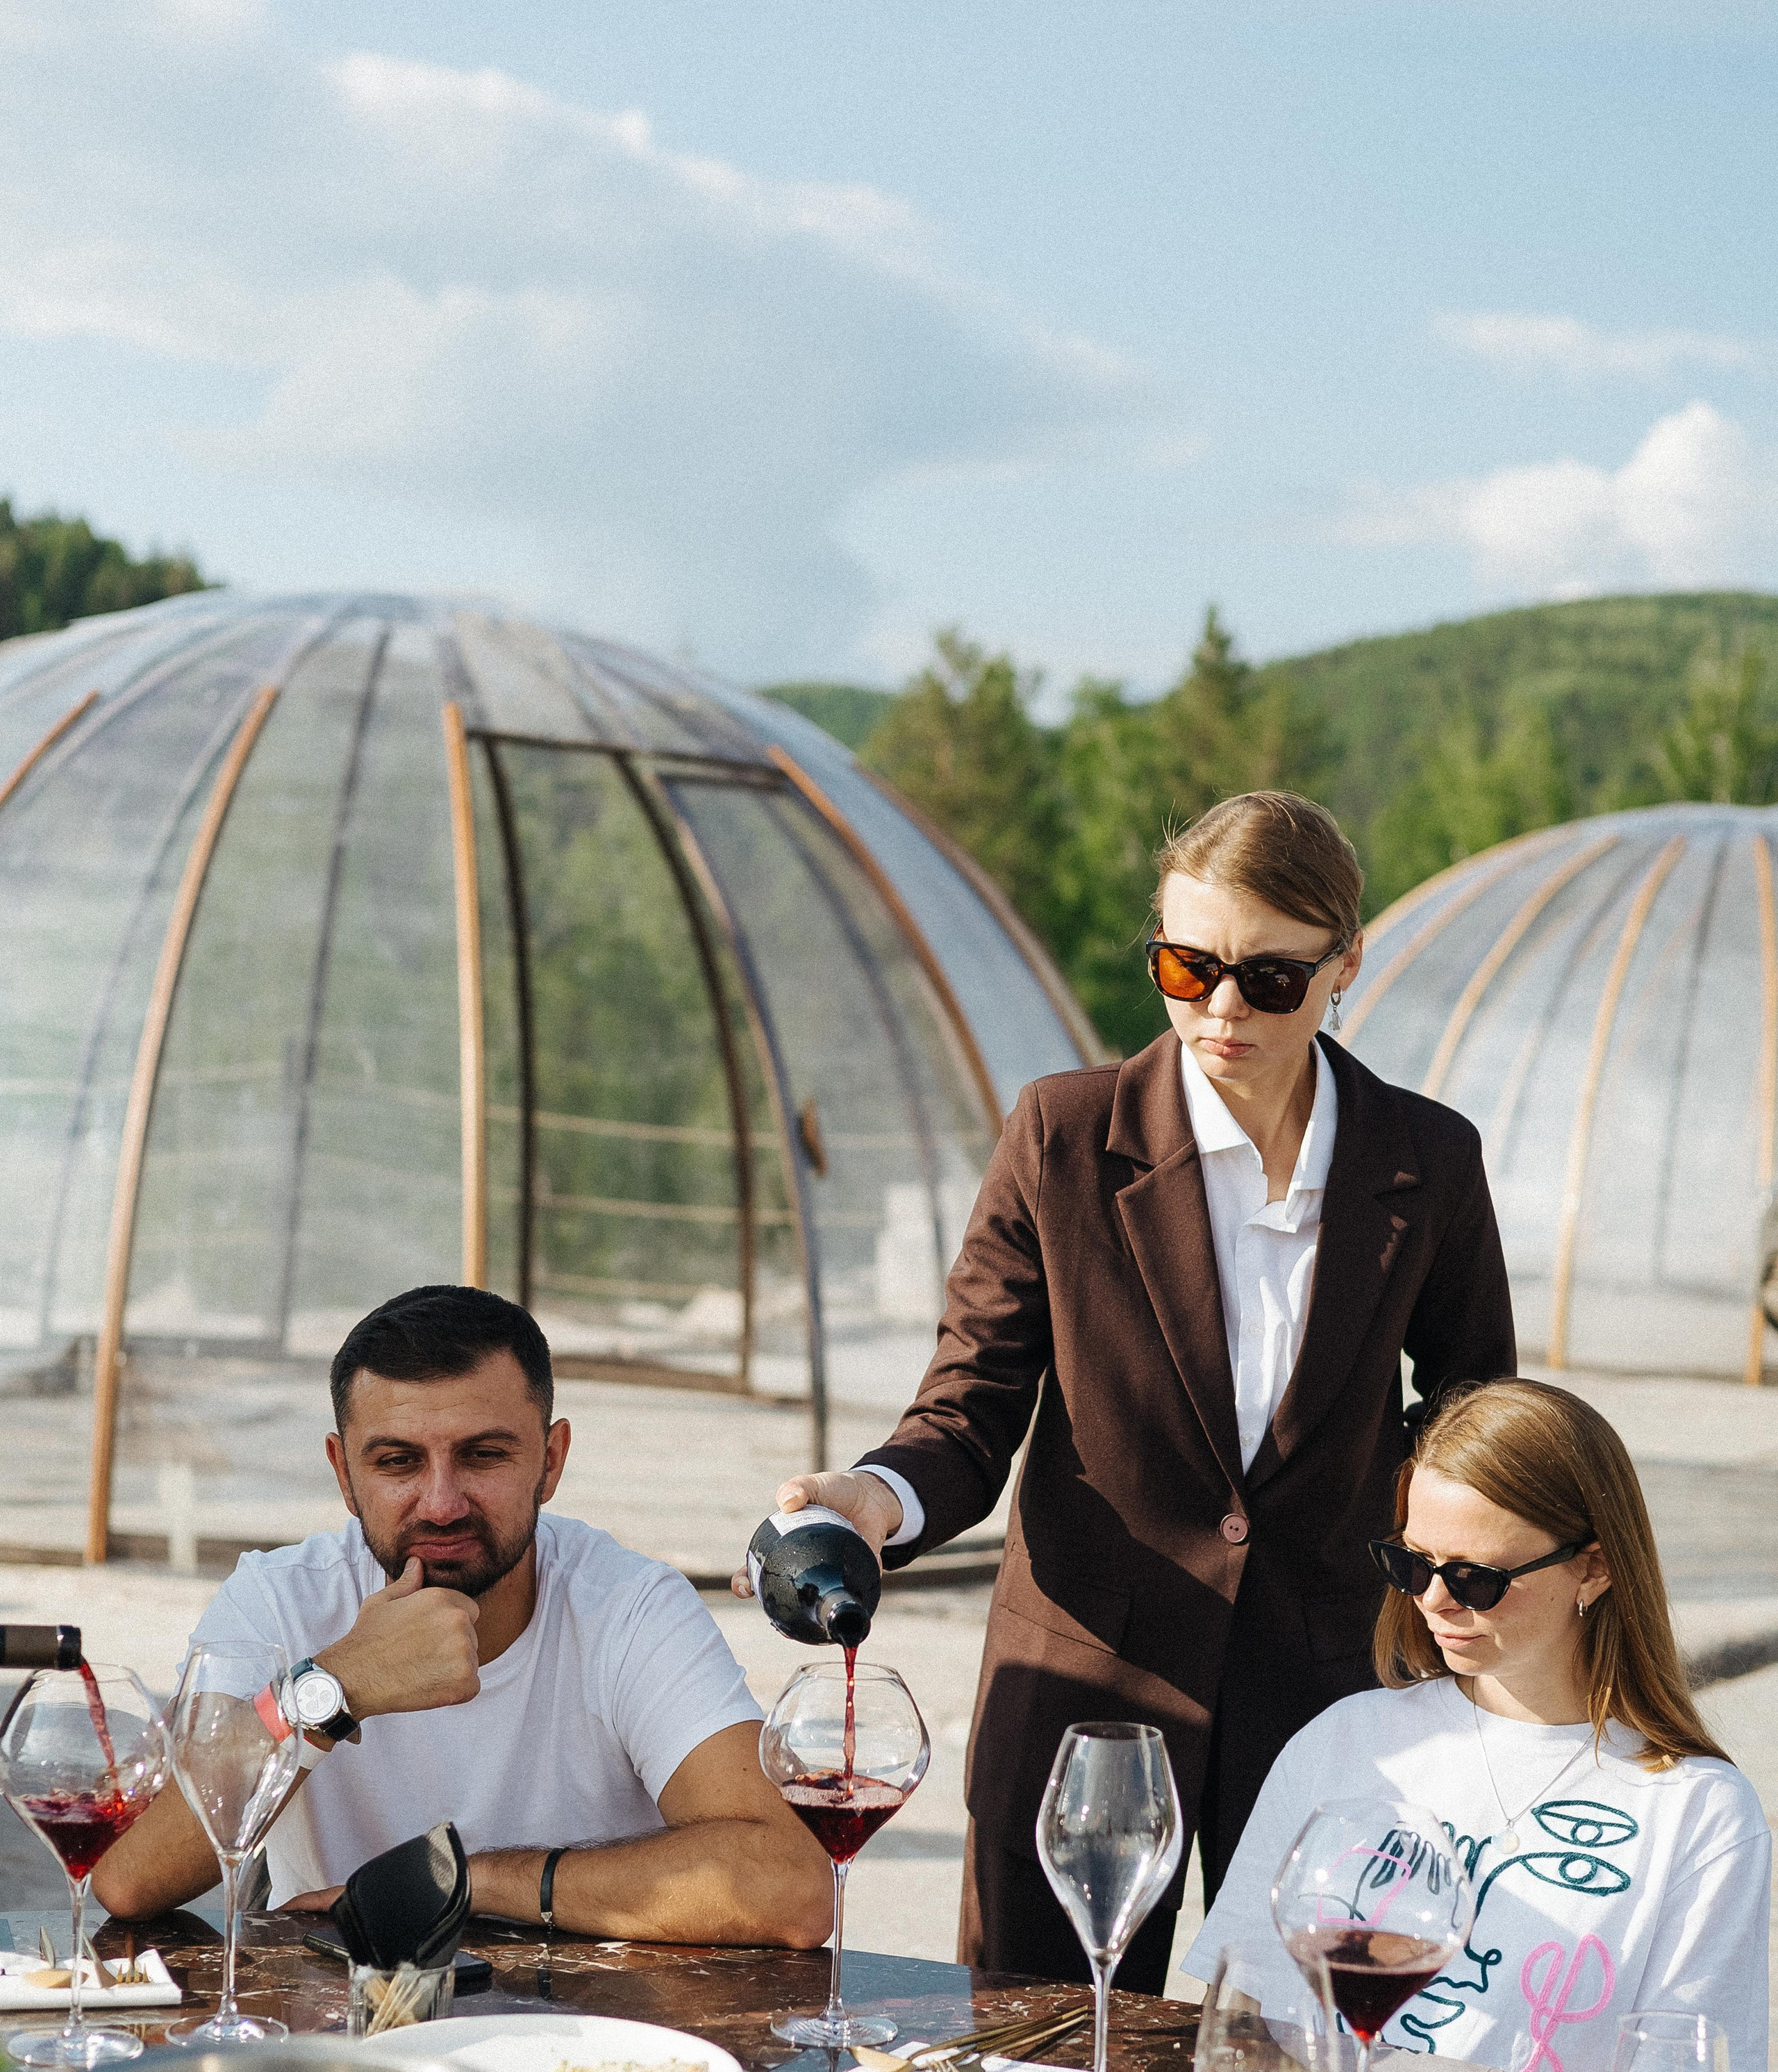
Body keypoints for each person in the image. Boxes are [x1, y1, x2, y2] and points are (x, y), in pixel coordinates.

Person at [738, 790, 1516, 1987]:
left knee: (1307, 2062)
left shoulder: (1429, 1159)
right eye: (1184, 963)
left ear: (1346, 963)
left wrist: (1436, 1591)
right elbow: (970, 1403)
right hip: (1083, 1692)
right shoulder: (1062, 1136)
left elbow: (1475, 1417)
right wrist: (872, 1500)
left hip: (1328, 1692)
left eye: (1269, 978)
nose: (1219, 1008)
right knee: (1042, 2062)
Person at [97, 1286, 832, 1947]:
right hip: (347, 2039)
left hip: (596, 2053)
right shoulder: (280, 1598)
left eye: (483, 1455)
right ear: (343, 1473)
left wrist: (466, 1881)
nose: (442, 1502)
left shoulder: (629, 1605)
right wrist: (334, 1686)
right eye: (396, 1462)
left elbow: (790, 1887)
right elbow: (128, 1877)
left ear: (551, 1460)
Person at [1183, 1379, 1770, 2072]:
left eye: (1475, 1578)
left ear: (1595, 1566)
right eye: (1413, 1564)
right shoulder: (1344, 1744)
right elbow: (1243, 2023)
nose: (1431, 1600)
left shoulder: (1700, 1813)